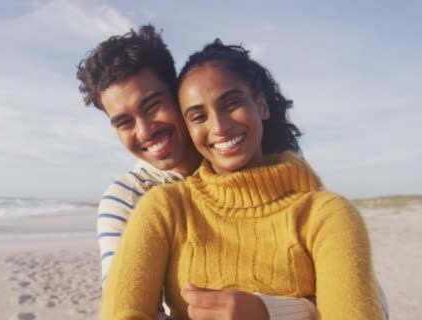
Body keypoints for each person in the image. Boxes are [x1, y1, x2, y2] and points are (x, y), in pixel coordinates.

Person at [99, 39, 385, 320]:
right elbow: (122, 310)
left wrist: (267, 313)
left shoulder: (324, 213)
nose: (220, 127)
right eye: (199, 115)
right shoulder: (156, 205)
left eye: (231, 103)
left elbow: (363, 306)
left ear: (261, 105)